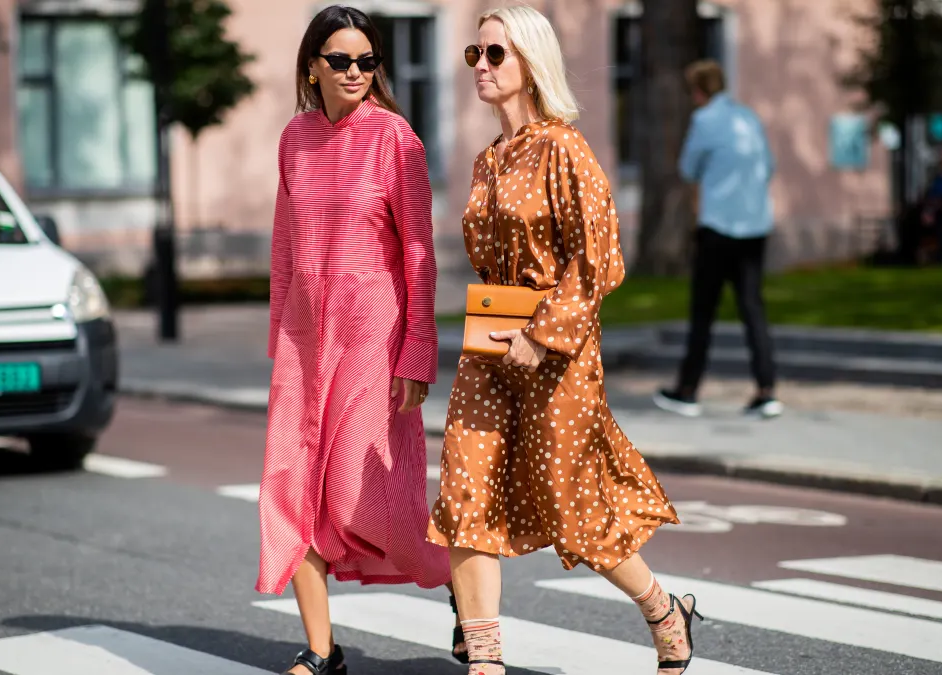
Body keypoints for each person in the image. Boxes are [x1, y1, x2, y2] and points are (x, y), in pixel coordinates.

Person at [427, 6, 702, 675]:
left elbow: (599, 256)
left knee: (576, 510)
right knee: (466, 496)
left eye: (496, 54)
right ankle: (485, 662)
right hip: (489, 349)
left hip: (558, 357)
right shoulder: (488, 160)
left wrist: (546, 333)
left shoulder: (563, 148)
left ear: (530, 63)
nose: (482, 67)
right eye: (476, 55)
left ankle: (666, 610)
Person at [256, 6, 458, 674]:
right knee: (292, 491)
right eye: (339, 60)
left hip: (375, 328)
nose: (353, 73)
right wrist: (279, 341)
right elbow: (285, 245)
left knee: (359, 498)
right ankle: (321, 650)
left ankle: (464, 577)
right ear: (313, 65)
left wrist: (418, 352)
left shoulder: (396, 139)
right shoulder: (294, 138)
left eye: (366, 61)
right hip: (305, 336)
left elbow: (420, 256)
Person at [653, 60, 781, 420]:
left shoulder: (704, 120)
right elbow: (768, 167)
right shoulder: (749, 118)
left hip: (718, 227)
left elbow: (687, 168)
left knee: (703, 311)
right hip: (754, 226)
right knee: (753, 308)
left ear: (698, 91)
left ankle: (688, 390)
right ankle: (766, 390)